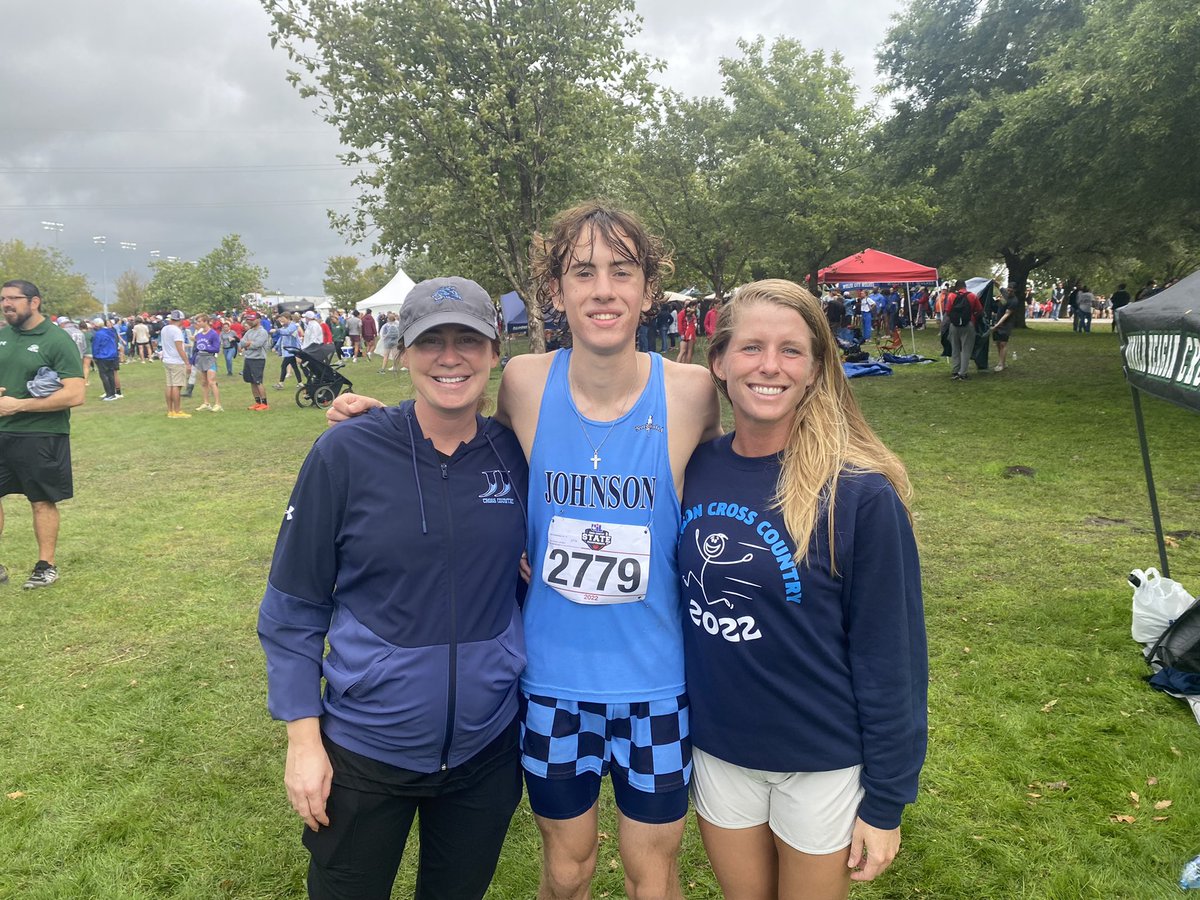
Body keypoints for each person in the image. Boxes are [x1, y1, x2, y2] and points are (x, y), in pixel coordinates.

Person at [328, 202, 722, 900]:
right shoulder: (526, 382)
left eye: (622, 271)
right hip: (551, 685)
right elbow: (464, 434)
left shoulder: (691, 392)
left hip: (656, 684)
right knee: (566, 873)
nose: (603, 289)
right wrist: (376, 424)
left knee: (652, 877)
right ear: (556, 290)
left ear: (648, 290)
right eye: (583, 272)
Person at [258, 276, 529, 900]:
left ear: (494, 352)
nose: (451, 357)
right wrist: (303, 739)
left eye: (469, 340)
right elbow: (293, 608)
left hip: (485, 751)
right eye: (432, 341)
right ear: (402, 350)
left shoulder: (517, 456)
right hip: (363, 750)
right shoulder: (346, 451)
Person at [680, 279, 927, 900]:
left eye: (791, 351)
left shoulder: (860, 494)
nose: (769, 365)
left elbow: (891, 655)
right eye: (751, 347)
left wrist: (888, 800)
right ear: (719, 362)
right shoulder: (692, 468)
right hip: (720, 749)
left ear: (817, 369)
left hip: (820, 760)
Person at [0, 280, 87, 588]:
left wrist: (19, 406)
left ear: (34, 302)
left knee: (41, 499)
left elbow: (75, 395)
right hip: (2, 431)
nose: (6, 304)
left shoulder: (56, 339)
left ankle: (45, 565)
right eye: (3, 299)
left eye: (14, 299)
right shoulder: (3, 337)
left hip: (41, 433)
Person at [944, 279, 982, 381]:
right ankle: (963, 373)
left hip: (954, 325)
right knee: (966, 349)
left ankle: (955, 371)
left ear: (956, 287)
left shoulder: (951, 296)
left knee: (955, 348)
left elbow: (947, 311)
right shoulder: (972, 296)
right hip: (968, 324)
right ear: (965, 286)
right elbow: (979, 310)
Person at [160, 309, 192, 418]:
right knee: (177, 386)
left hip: (167, 359)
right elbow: (179, 348)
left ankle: (170, 410)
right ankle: (177, 411)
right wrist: (187, 362)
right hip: (176, 361)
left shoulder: (165, 329)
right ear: (181, 319)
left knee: (169, 385)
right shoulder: (177, 331)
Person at [239, 310, 271, 410]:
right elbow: (242, 342)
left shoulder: (263, 332)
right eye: (248, 320)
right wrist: (248, 344)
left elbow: (257, 345)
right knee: (251, 381)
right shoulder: (249, 331)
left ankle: (265, 403)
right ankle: (257, 402)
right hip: (248, 358)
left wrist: (248, 344)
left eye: (252, 320)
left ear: (258, 319)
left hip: (258, 359)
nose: (249, 322)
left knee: (258, 381)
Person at [191, 315, 223, 412]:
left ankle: (218, 404)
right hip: (201, 359)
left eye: (200, 321)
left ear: (206, 322)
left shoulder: (213, 334)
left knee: (211, 381)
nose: (198, 323)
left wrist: (205, 347)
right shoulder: (199, 334)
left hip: (210, 358)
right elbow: (197, 347)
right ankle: (206, 403)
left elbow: (216, 348)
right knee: (204, 382)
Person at [988, 286, 1021, 371]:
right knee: (998, 343)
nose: (1008, 292)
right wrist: (994, 282)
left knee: (1003, 343)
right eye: (1008, 290)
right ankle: (1002, 361)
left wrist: (997, 325)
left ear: (1014, 291)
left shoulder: (1014, 301)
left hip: (1006, 324)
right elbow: (999, 286)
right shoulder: (1004, 292)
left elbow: (1007, 314)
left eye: (1011, 291)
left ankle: (1001, 365)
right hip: (998, 321)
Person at [90, 317, 123, 401]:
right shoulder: (110, 331)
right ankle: (113, 393)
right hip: (112, 355)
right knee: (111, 375)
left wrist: (95, 355)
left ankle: (109, 394)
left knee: (104, 375)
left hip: (103, 356)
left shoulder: (98, 334)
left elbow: (96, 346)